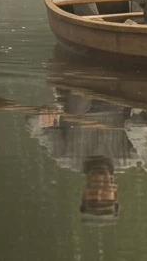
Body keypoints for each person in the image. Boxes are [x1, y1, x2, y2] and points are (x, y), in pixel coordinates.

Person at [25, 91, 139, 225]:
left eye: (92, 199)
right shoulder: (131, 156)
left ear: (83, 192)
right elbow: (144, 125)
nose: (98, 193)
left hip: (78, 90)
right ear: (115, 192)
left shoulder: (65, 155)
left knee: (76, 108)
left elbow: (34, 128)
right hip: (121, 93)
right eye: (104, 199)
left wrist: (43, 115)